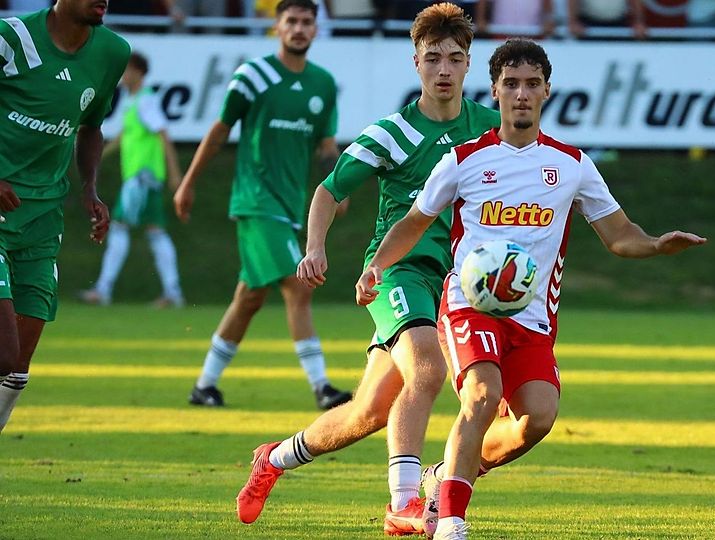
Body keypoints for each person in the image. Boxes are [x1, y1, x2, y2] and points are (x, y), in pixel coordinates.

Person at [354, 39, 707, 539]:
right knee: (481, 395)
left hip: (532, 317)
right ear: (495, 90)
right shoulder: (463, 159)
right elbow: (413, 223)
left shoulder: (571, 165)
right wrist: (375, 267)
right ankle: (452, 522)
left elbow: (619, 235)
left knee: (537, 419)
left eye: (532, 85)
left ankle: (443, 477)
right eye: (512, 84)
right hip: (469, 306)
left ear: (547, 92)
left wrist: (655, 245)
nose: (521, 94)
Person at [233, 3, 500, 535]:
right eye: (432, 59)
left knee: (369, 413)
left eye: (453, 58)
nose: (443, 69)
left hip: (456, 281)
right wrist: (315, 248)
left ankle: (273, 459)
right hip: (394, 272)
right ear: (416, 64)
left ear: (469, 64)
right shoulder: (393, 133)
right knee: (427, 368)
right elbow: (329, 190)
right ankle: (404, 502)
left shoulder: (490, 128)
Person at [172, 0, 351, 410]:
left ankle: (205, 385)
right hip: (256, 200)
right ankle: (322, 386)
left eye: (307, 22)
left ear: (316, 29)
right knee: (299, 283)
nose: (299, 28)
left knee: (249, 298)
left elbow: (326, 146)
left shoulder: (323, 83)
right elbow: (220, 129)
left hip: (288, 206)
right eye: (292, 21)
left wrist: (339, 187)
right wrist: (188, 182)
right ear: (277, 27)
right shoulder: (254, 75)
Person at [0, 0, 130, 433]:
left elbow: (91, 126)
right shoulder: (12, 37)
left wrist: (89, 189)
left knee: (16, 370)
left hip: (42, 218)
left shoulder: (112, 52)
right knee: (3, 353)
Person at [79, 52, 185, 308]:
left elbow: (163, 135)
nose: (122, 76)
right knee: (155, 231)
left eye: (126, 70)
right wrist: (96, 156)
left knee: (119, 226)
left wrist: (175, 174)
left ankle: (103, 290)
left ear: (138, 72)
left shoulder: (147, 101)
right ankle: (173, 293)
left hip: (141, 176)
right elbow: (125, 135)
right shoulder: (133, 101)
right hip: (144, 177)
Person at [566, 0, 646, 39]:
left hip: (619, 25)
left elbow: (635, 1)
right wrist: (573, 21)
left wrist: (638, 21)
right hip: (588, 27)